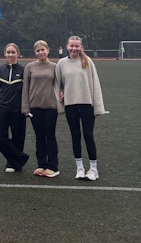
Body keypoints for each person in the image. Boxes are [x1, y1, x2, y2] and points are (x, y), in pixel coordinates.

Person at [55, 35, 105, 181]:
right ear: (67, 46)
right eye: (72, 46)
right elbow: (58, 84)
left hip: (87, 105)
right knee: (75, 135)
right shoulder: (61, 63)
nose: (74, 48)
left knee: (88, 135)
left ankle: (93, 169)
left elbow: (95, 84)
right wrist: (61, 96)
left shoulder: (87, 61)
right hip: (70, 105)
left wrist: (98, 107)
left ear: (81, 47)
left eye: (77, 46)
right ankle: (80, 168)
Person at [21, 40, 59, 178]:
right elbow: (25, 88)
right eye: (38, 50)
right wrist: (25, 107)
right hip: (34, 107)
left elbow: (60, 85)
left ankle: (52, 166)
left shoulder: (55, 67)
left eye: (43, 49)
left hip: (51, 107)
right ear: (35, 52)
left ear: (48, 50)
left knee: (50, 136)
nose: (41, 52)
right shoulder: (30, 67)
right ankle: (41, 164)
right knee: (39, 137)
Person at [0, 43, 29, 173]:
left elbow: (27, 91)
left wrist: (26, 107)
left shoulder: (24, 70)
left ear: (18, 54)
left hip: (18, 109)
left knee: (18, 136)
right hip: (2, 108)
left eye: (13, 52)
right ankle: (19, 157)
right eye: (8, 52)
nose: (10, 55)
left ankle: (12, 163)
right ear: (4, 54)